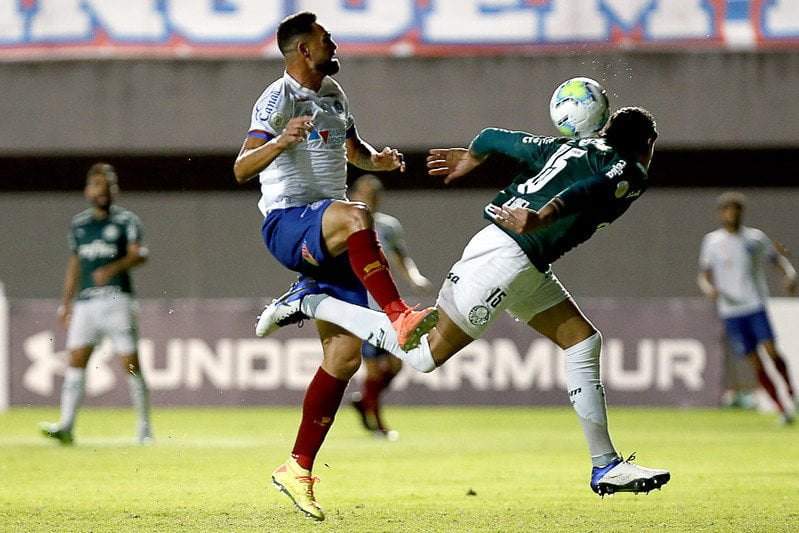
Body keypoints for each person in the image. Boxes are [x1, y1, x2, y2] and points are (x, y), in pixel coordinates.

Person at [261, 107, 671, 500]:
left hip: (521, 258)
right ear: (647, 143)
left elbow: (493, 137)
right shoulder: (630, 168)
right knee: (423, 355)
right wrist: (544, 216)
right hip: (508, 258)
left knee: (582, 341)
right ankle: (312, 302)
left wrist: (471, 157)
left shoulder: (564, 147)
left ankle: (605, 465)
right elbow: (589, 190)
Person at [232, 11, 438, 522]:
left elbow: (353, 151)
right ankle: (397, 314)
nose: (334, 42)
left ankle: (297, 467)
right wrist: (281, 140)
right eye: (326, 38)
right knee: (357, 214)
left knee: (344, 358)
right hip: (287, 225)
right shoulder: (276, 99)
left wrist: (381, 160)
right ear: (304, 49)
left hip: (329, 233)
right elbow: (240, 167)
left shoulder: (334, 97)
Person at [39, 163, 152, 445]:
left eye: (110, 187)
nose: (105, 192)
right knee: (76, 361)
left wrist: (113, 269)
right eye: (100, 186)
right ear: (88, 190)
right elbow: (75, 264)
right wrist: (66, 303)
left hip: (117, 300)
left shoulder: (126, 221)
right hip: (86, 304)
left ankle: (144, 428)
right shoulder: (79, 225)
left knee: (130, 364)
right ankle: (66, 426)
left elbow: (140, 254)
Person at [697, 191, 797, 424]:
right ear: (721, 214)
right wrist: (708, 288)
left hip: (755, 305)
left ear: (741, 213)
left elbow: (775, 259)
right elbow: (704, 275)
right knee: (755, 361)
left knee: (772, 352)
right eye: (728, 210)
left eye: (736, 210)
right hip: (730, 311)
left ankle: (791, 391)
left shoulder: (754, 238)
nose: (732, 214)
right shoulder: (712, 242)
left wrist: (789, 275)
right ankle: (782, 408)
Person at [347, 174, 433, 439]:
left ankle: (364, 403)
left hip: (386, 306)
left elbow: (401, 258)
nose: (368, 198)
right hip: (360, 307)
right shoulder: (344, 222)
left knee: (395, 366)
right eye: (364, 192)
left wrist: (416, 278)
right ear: (353, 194)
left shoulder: (387, 226)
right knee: (372, 368)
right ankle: (377, 424)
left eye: (373, 194)